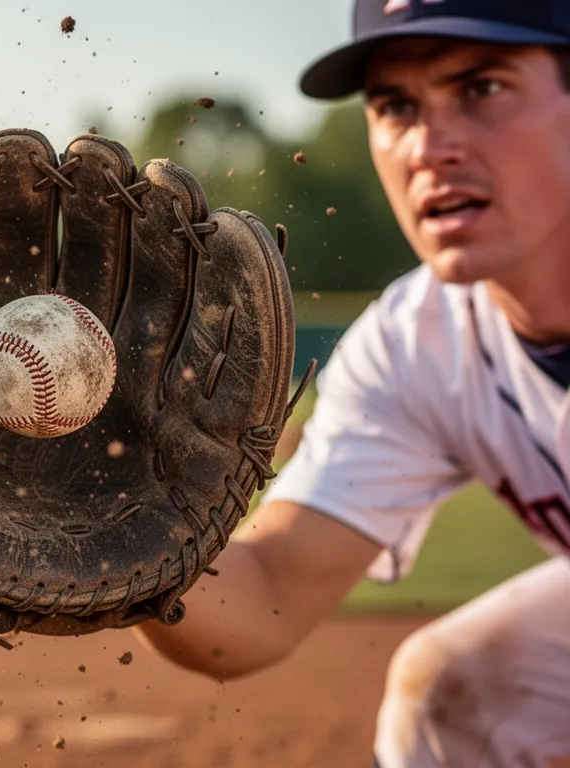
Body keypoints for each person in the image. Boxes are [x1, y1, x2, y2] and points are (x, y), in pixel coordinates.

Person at [134, 1, 570, 765]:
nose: (431, 146)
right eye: (396, 106)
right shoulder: (418, 344)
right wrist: (133, 526)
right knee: (448, 702)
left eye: (483, 88)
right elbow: (269, 588)